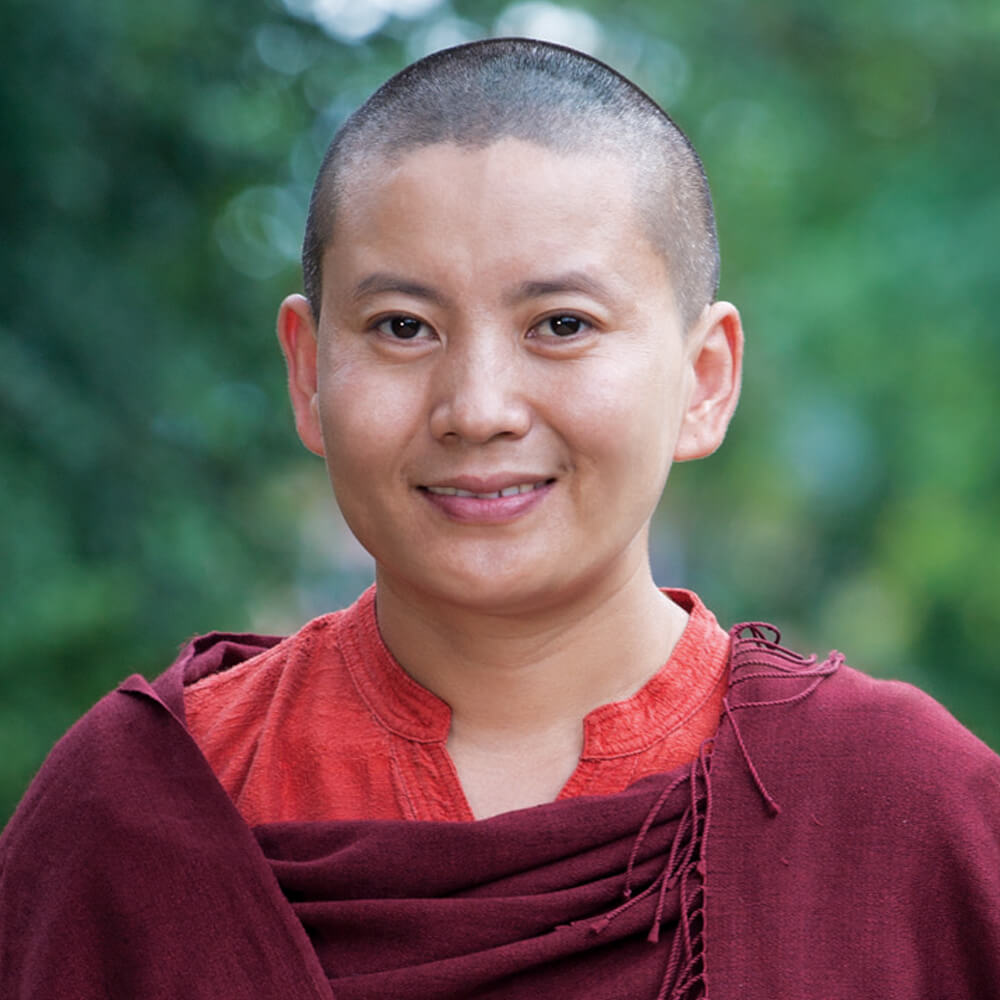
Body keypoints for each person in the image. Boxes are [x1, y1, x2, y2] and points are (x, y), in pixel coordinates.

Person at [1, 37, 998, 1000]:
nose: (477, 408)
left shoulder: (905, 807)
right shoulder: (138, 810)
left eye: (561, 325)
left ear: (704, 379)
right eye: (403, 327)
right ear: (307, 373)